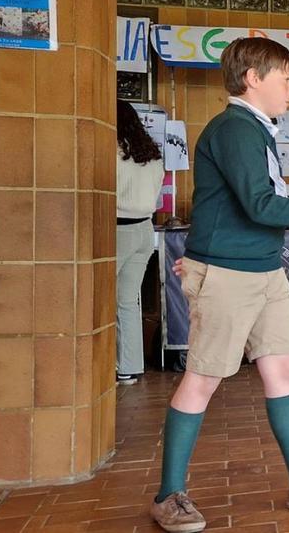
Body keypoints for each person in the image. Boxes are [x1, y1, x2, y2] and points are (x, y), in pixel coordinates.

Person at [150, 37, 289, 532]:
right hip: (230, 275)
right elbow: (260, 206)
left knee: (284, 377)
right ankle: (168, 495)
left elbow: (245, 205)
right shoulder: (235, 129)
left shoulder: (256, 130)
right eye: (286, 80)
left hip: (266, 270)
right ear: (253, 78)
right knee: (202, 380)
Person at [115, 100, 166, 385]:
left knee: (97, 298)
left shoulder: (111, 150)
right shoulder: (152, 155)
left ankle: (106, 364)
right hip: (144, 229)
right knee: (127, 300)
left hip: (117, 229)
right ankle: (130, 367)